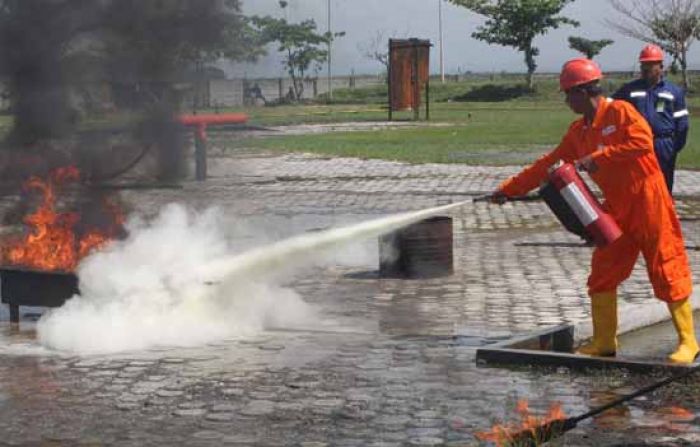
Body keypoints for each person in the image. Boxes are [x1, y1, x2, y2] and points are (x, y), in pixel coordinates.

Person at [490, 58, 698, 364]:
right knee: (603, 272)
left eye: (569, 94)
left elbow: (643, 143)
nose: (566, 101)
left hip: (650, 202)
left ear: (585, 91)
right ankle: (604, 342)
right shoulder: (579, 132)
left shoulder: (621, 112)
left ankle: (688, 342)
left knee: (667, 268)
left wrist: (600, 157)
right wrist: (508, 189)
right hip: (617, 209)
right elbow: (549, 164)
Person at [612, 44, 689, 193]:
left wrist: (673, 147)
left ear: (661, 67)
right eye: (643, 64)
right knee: (638, 185)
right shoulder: (629, 89)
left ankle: (664, 215)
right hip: (636, 144)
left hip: (663, 145)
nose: (646, 68)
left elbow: (682, 124)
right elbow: (609, 107)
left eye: (650, 64)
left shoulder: (674, 91)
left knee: (663, 185)